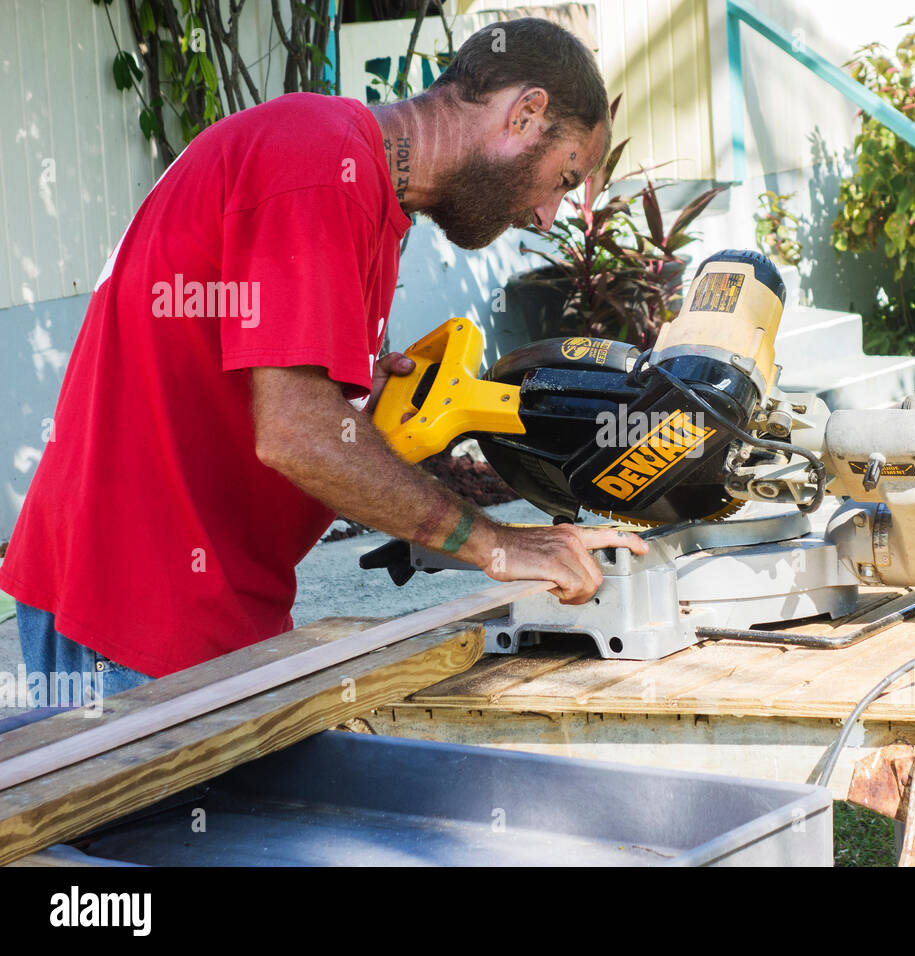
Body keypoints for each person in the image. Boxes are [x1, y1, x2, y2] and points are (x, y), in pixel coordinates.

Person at [0, 18, 645, 705]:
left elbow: (272, 396)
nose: (548, 215)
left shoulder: (356, 184)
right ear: (524, 113)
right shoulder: (318, 161)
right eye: (564, 177)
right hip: (135, 616)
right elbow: (295, 433)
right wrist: (497, 546)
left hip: (201, 606)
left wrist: (347, 397)